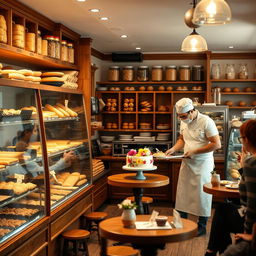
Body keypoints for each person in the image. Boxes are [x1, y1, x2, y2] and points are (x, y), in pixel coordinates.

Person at [166, 98, 221, 236]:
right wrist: (173, 149)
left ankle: (201, 226)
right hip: (187, 162)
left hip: (203, 163)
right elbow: (182, 139)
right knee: (182, 193)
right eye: (179, 116)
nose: (181, 119)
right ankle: (181, 223)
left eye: (183, 116)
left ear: (192, 111)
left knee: (202, 195)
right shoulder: (184, 121)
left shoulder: (206, 121)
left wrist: (195, 151)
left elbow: (216, 144)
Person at [205, 119, 256, 256]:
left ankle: (213, 251)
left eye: (242, 137)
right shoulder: (250, 162)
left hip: (251, 223)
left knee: (222, 211)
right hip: (247, 216)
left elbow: (252, 204)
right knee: (224, 210)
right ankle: (215, 251)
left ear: (247, 139)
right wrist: (243, 167)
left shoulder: (252, 162)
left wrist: (248, 233)